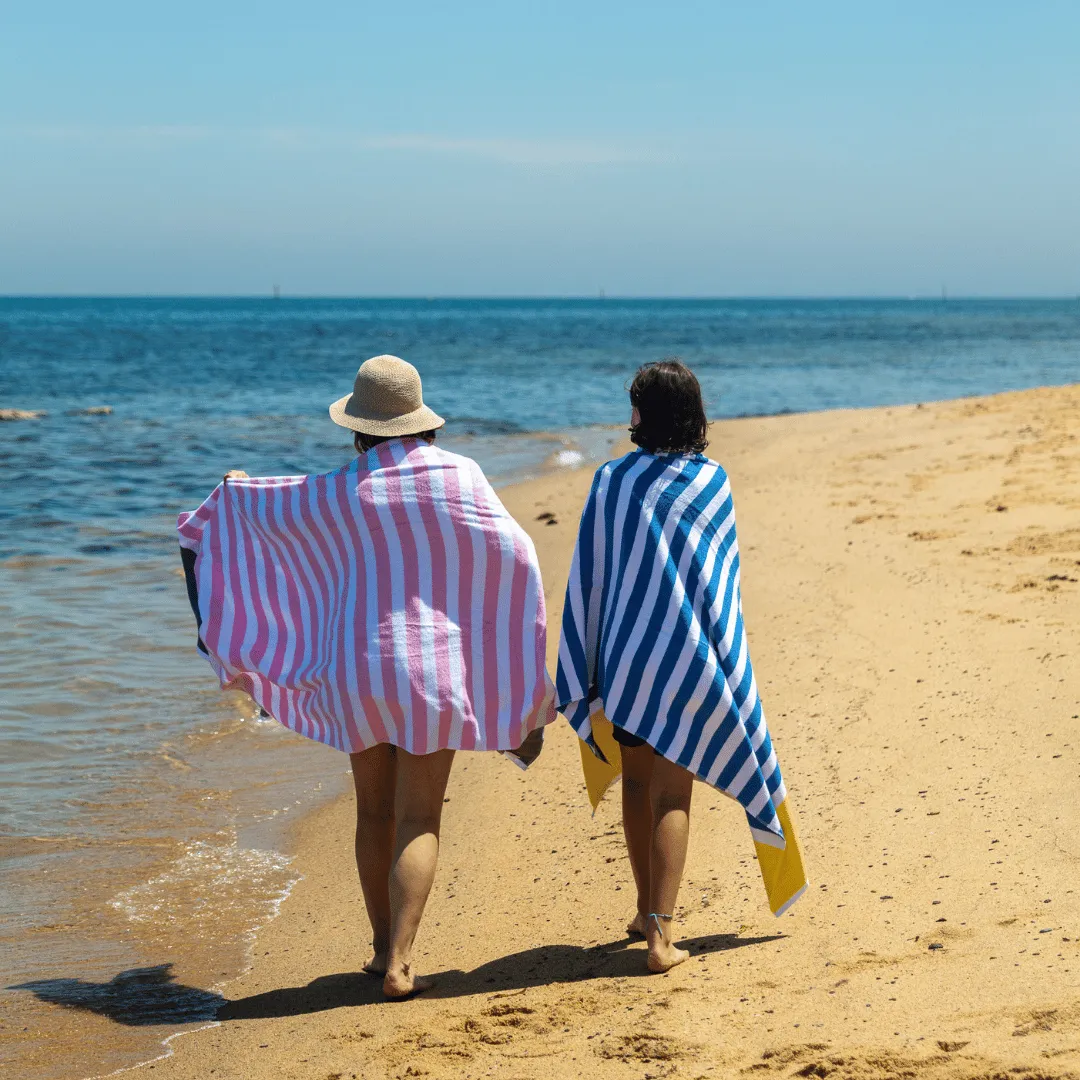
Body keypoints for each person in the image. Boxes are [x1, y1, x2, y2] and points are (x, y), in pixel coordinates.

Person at [179, 355, 555, 998]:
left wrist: (236, 489)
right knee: (419, 819)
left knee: (373, 813)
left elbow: (272, 518)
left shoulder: (341, 488)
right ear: (423, 422)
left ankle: (380, 948)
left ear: (359, 428)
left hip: (356, 671)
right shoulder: (460, 476)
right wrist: (515, 674)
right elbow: (514, 555)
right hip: (432, 676)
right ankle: (403, 962)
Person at [556, 360, 802, 973]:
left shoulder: (611, 480)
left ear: (643, 413)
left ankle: (647, 913)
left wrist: (583, 662)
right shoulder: (712, 482)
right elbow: (720, 586)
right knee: (671, 793)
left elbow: (591, 577)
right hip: (690, 660)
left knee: (639, 786)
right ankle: (660, 937)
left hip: (629, 660)